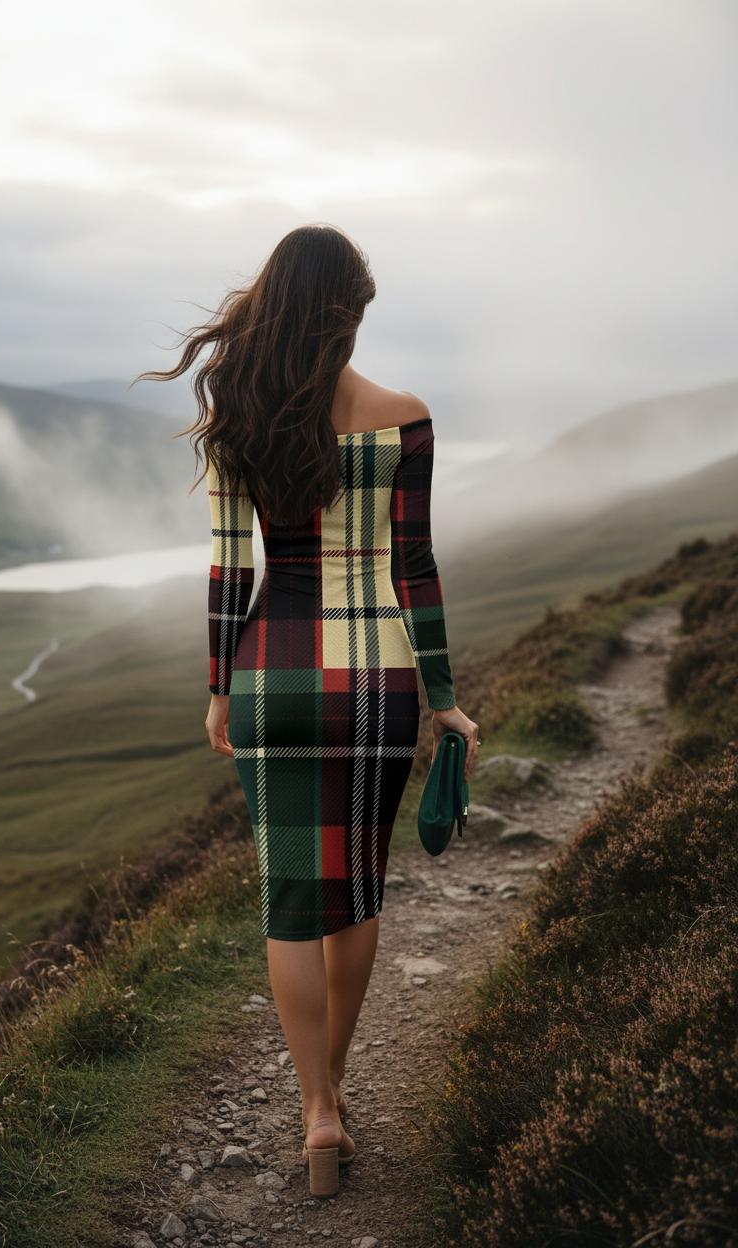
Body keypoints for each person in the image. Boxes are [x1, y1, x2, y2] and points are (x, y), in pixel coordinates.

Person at [139, 223, 479, 1197]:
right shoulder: (403, 418)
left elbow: (228, 568)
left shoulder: (239, 418)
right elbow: (413, 568)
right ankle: (336, 1094)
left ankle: (315, 1110)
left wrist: (218, 690)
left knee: (290, 897)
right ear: (342, 316)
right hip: (376, 681)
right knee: (355, 893)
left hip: (271, 679)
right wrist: (444, 700)